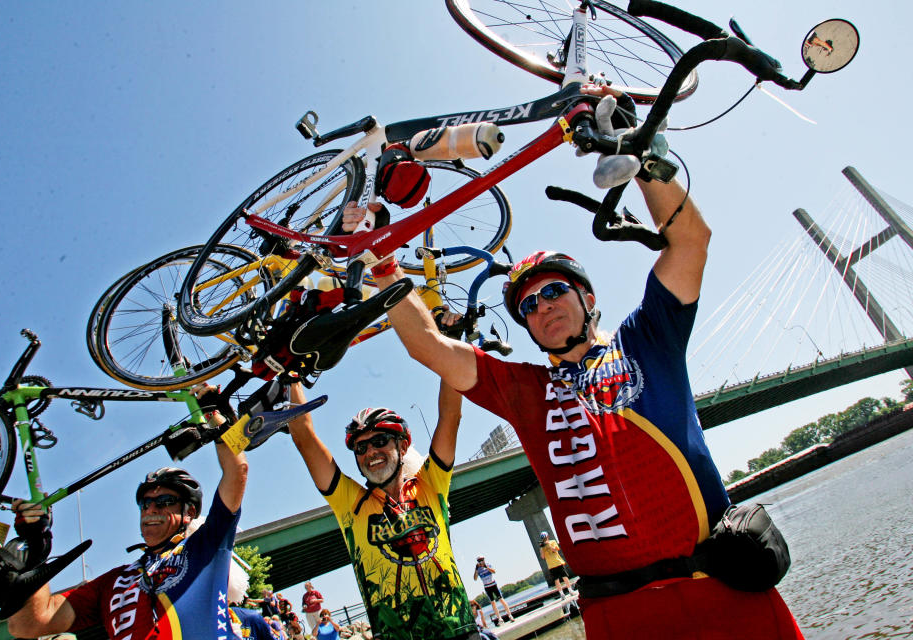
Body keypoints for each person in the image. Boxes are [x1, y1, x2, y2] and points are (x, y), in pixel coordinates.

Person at [344, 84, 803, 640]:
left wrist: (641, 156)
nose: (543, 307)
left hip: (719, 589)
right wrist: (386, 270)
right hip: (619, 615)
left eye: (555, 290)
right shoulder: (525, 389)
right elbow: (430, 349)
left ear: (588, 299)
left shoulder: (647, 341)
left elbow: (689, 241)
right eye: (528, 305)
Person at [5, 414, 249, 640]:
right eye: (146, 503)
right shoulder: (113, 581)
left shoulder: (206, 546)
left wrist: (212, 415)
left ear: (190, 513)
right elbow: (29, 625)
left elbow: (237, 470)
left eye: (165, 502)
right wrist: (35, 547)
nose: (151, 509)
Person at [288, 380, 479, 640]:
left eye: (379, 441)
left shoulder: (430, 483)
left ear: (402, 446)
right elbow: (305, 440)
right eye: (361, 447)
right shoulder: (350, 503)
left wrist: (454, 343)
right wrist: (291, 376)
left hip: (459, 630)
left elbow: (451, 415)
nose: (371, 452)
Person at [472, 556, 514, 624]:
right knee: (493, 603)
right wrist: (476, 569)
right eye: (479, 561)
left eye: (482, 560)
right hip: (487, 587)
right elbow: (475, 578)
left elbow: (494, 571)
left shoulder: (488, 565)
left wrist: (486, 567)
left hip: (493, 585)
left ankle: (510, 615)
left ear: (484, 560)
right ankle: (499, 619)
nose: (481, 562)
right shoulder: (478, 569)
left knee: (501, 599)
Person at [538, 531, 574, 597]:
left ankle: (570, 590)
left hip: (558, 562)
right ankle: (562, 594)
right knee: (556, 580)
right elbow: (543, 557)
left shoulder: (553, 542)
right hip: (551, 565)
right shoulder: (542, 547)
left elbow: (556, 550)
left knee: (565, 577)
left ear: (547, 536)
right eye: (543, 538)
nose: (544, 539)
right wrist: (541, 549)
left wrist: (548, 545)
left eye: (545, 537)